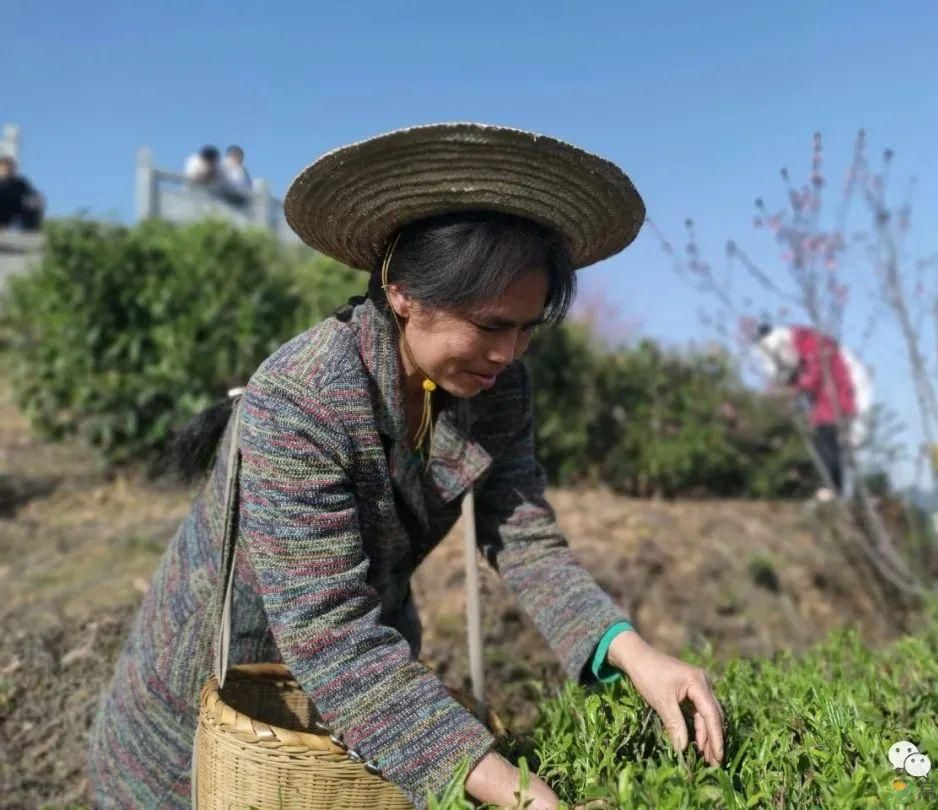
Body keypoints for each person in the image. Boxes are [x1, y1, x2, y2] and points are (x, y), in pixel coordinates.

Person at [87, 123, 726, 809]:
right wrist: (523, 793)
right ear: (402, 294)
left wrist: (631, 651)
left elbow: (525, 538)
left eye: (526, 329)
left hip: (369, 690)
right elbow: (330, 632)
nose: (508, 354)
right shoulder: (304, 398)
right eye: (489, 325)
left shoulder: (497, 391)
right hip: (226, 696)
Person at [755, 323, 871, 500]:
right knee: (827, 440)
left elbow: (812, 376)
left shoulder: (808, 343)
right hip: (831, 396)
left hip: (839, 395)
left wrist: (791, 389)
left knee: (827, 440)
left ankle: (833, 488)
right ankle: (834, 488)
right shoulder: (800, 342)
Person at [0, 156, 45, 231]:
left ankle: (30, 231)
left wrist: (37, 200)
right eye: (4, 168)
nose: (7, 170)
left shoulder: (20, 183)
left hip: (14, 208)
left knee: (34, 202)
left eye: (9, 168)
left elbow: (32, 194)